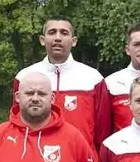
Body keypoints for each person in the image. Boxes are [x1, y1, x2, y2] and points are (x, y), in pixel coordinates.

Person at [15, 18, 110, 150]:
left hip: (80, 157)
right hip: (35, 156)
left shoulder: (93, 78)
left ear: (74, 41)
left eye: (64, 33)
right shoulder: (24, 76)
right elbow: (17, 123)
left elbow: (103, 129)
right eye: (52, 32)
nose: (57, 38)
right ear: (42, 40)